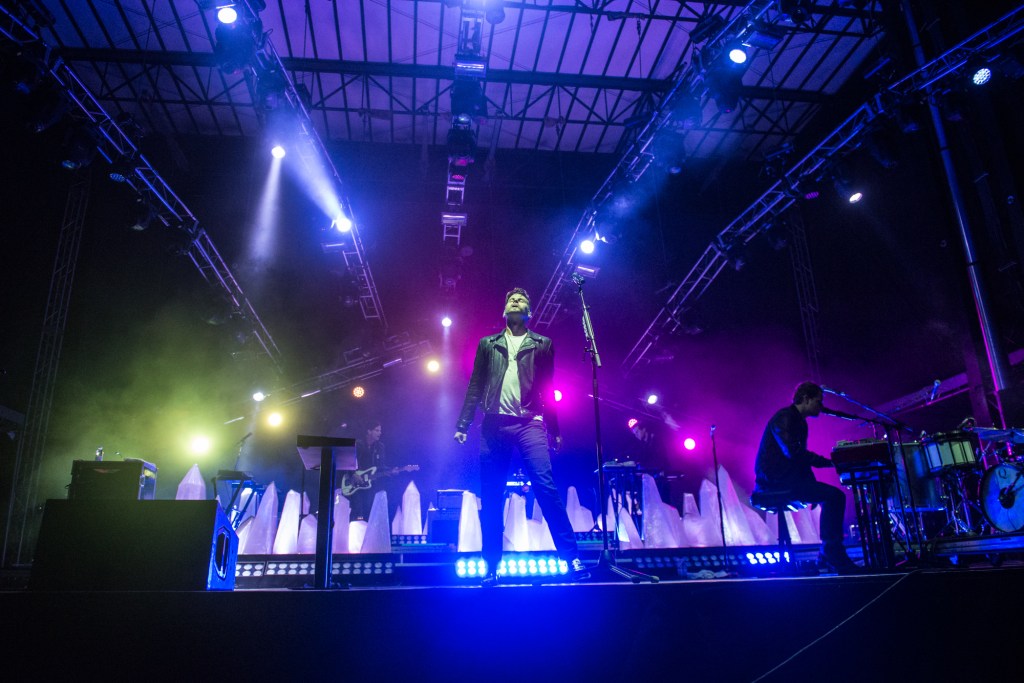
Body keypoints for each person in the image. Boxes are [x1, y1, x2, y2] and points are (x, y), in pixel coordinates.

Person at [454, 287, 589, 585]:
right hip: (494, 425)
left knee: (546, 487)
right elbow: (475, 384)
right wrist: (463, 424)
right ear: (504, 311)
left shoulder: (542, 344)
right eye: (511, 300)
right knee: (491, 494)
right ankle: (492, 567)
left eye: (521, 300)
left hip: (531, 423)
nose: (515, 301)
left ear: (529, 312)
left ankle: (572, 557)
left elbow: (548, 388)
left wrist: (554, 429)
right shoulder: (488, 344)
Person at [753, 381, 859, 573]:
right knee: (835, 496)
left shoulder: (799, 421)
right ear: (805, 399)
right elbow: (793, 453)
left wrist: (812, 484)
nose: (821, 406)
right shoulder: (784, 417)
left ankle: (828, 552)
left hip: (787, 479)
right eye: (818, 401)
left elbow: (799, 460)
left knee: (832, 496)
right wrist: (830, 463)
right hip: (774, 482)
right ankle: (830, 551)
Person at [344, 420, 386, 522]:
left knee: (369, 510)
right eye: (377, 430)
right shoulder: (358, 444)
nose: (380, 433)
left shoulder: (380, 447)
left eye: (380, 430)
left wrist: (392, 470)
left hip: (370, 484)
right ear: (369, 431)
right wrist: (353, 474)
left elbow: (380, 466)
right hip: (355, 483)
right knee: (357, 510)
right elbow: (348, 460)